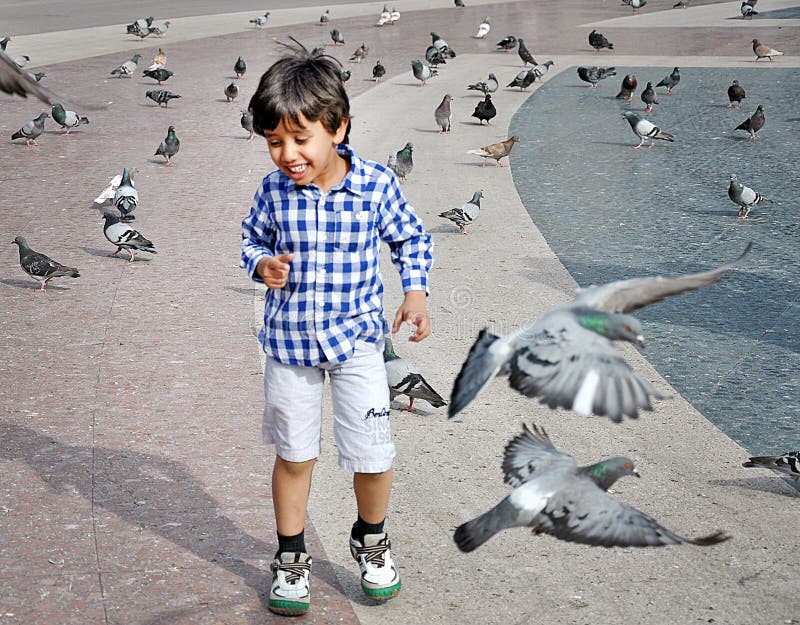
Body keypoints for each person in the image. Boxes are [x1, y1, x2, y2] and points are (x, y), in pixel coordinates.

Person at [240, 50, 433, 617]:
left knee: (372, 454)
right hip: (290, 349)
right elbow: (249, 239)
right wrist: (260, 264)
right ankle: (291, 557)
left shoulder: (375, 186)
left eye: (300, 139)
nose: (287, 155)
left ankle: (371, 538)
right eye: (275, 141)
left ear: (338, 126)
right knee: (295, 455)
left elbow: (412, 239)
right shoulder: (273, 192)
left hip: (358, 348)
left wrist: (415, 292)